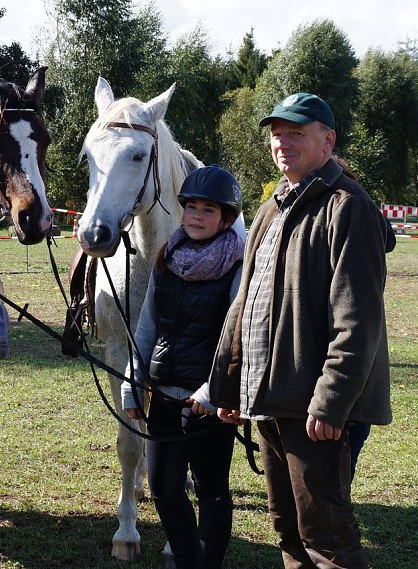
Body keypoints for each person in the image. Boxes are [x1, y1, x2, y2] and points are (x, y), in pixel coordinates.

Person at [209, 92, 393, 569]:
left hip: (313, 406)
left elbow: (358, 320)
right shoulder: (273, 208)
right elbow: (244, 306)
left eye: (296, 134)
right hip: (269, 398)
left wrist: (332, 402)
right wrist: (228, 386)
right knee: (287, 528)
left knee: (326, 535)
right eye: (277, 135)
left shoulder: (348, 206)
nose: (283, 144)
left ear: (327, 141)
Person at [122, 165, 246, 569]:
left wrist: (214, 391)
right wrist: (132, 380)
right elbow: (147, 323)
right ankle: (188, 559)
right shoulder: (168, 256)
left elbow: (238, 337)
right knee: (163, 488)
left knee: (210, 491)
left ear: (226, 219)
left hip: (208, 403)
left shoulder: (237, 266)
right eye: (191, 206)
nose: (196, 215)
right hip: (165, 395)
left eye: (208, 210)